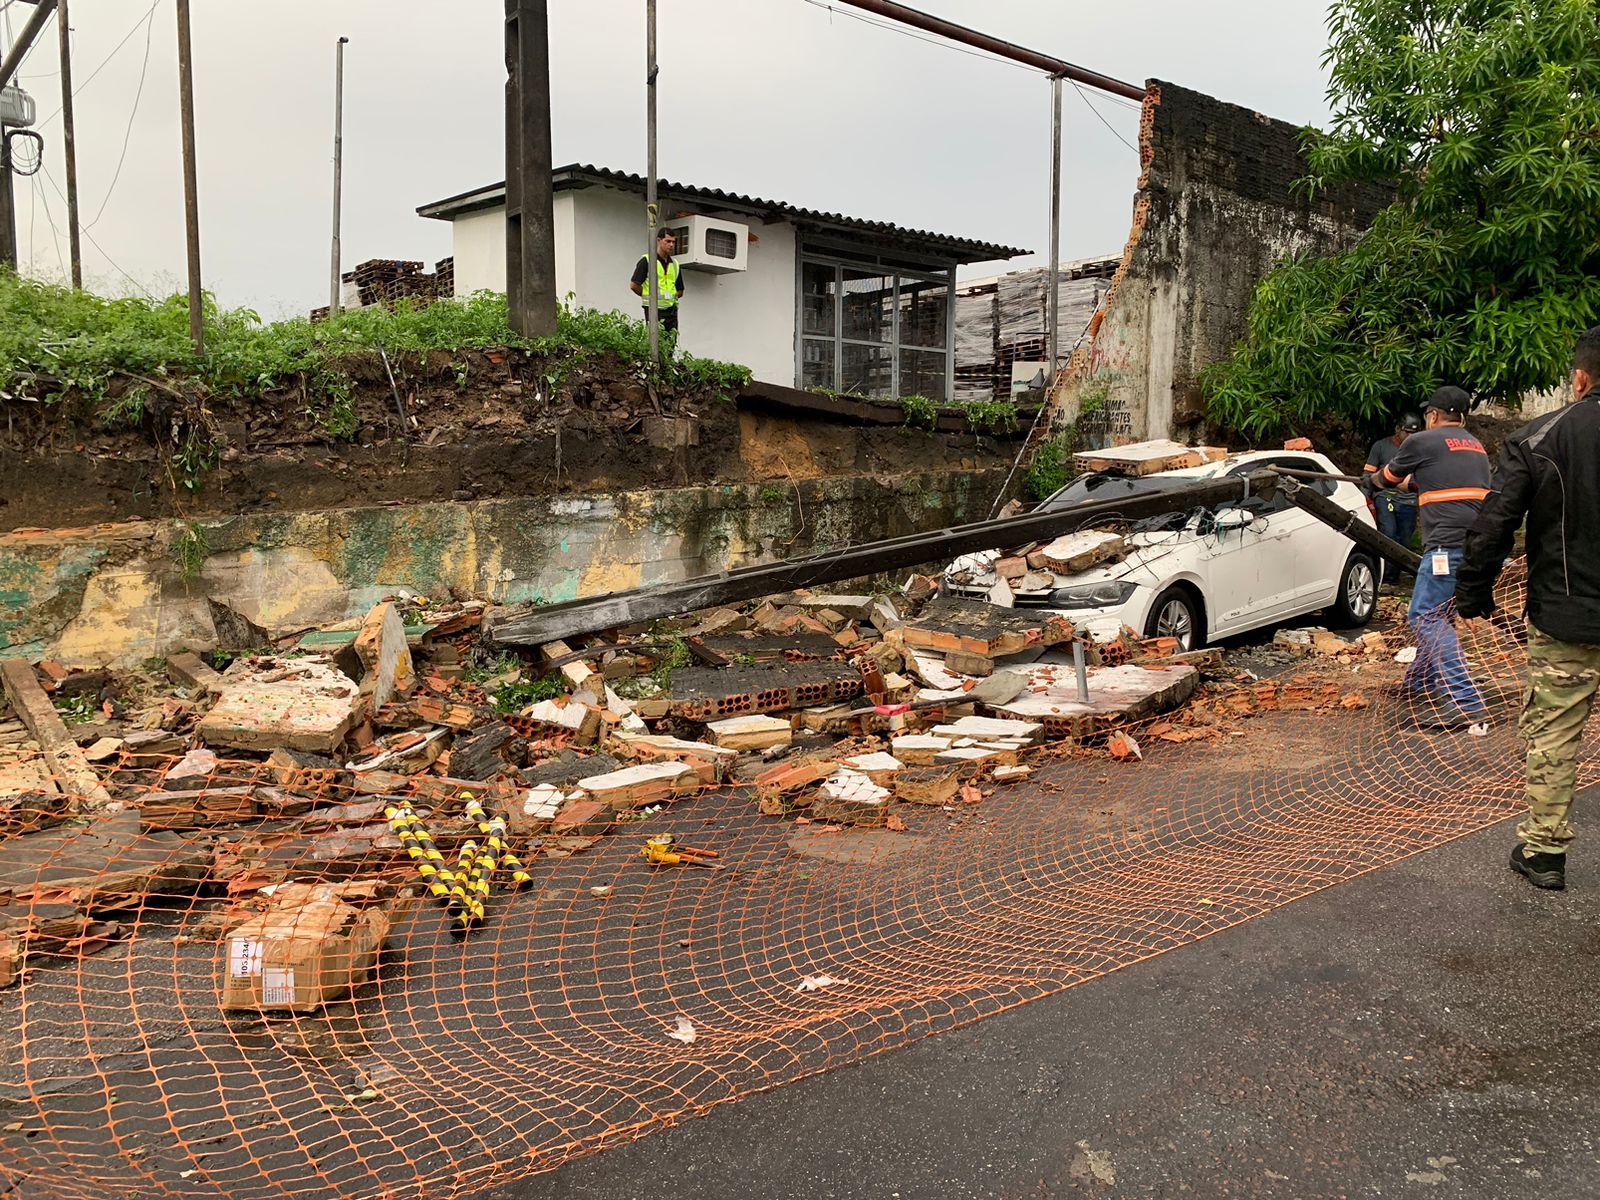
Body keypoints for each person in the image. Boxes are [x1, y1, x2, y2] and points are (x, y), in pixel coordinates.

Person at [1458, 326, 1600, 891]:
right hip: (1563, 614)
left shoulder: (1539, 438)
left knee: (1554, 734)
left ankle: (1543, 854)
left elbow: (1494, 524)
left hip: (1563, 619)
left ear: (1580, 378)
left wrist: (1474, 592)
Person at [1370, 385, 1491, 727]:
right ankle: (1421, 682)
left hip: (1446, 546)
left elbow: (1388, 477)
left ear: (1434, 416)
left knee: (1424, 616)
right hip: (1476, 546)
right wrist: (1409, 484)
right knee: (1441, 613)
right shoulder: (1474, 446)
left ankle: (1465, 699)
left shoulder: (1421, 442)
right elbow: (1438, 481)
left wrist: (1375, 482)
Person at [1364, 412, 1424, 581]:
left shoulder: (1420, 450)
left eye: (1415, 433)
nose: (1411, 436)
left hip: (1408, 500)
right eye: (1407, 432)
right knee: (1388, 534)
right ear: (1398, 429)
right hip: (1385, 497)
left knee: (1404, 540)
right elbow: (1367, 475)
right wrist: (1366, 501)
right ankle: (1387, 578)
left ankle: (1396, 576)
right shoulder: (1381, 447)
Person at [630, 229, 685, 340]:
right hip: (654, 311)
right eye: (668, 241)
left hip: (671, 312)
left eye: (673, 242)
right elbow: (634, 285)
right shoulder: (647, 261)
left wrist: (669, 297)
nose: (671, 245)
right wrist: (649, 296)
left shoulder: (675, 264)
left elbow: (680, 291)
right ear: (659, 241)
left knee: (669, 346)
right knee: (655, 343)